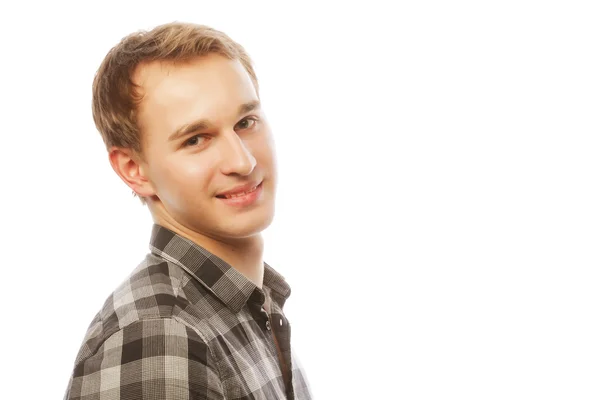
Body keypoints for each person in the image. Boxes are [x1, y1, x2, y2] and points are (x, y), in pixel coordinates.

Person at [64, 21, 313, 400]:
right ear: (135, 169)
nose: (242, 162)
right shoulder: (159, 335)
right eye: (196, 139)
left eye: (245, 123)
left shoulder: (245, 306)